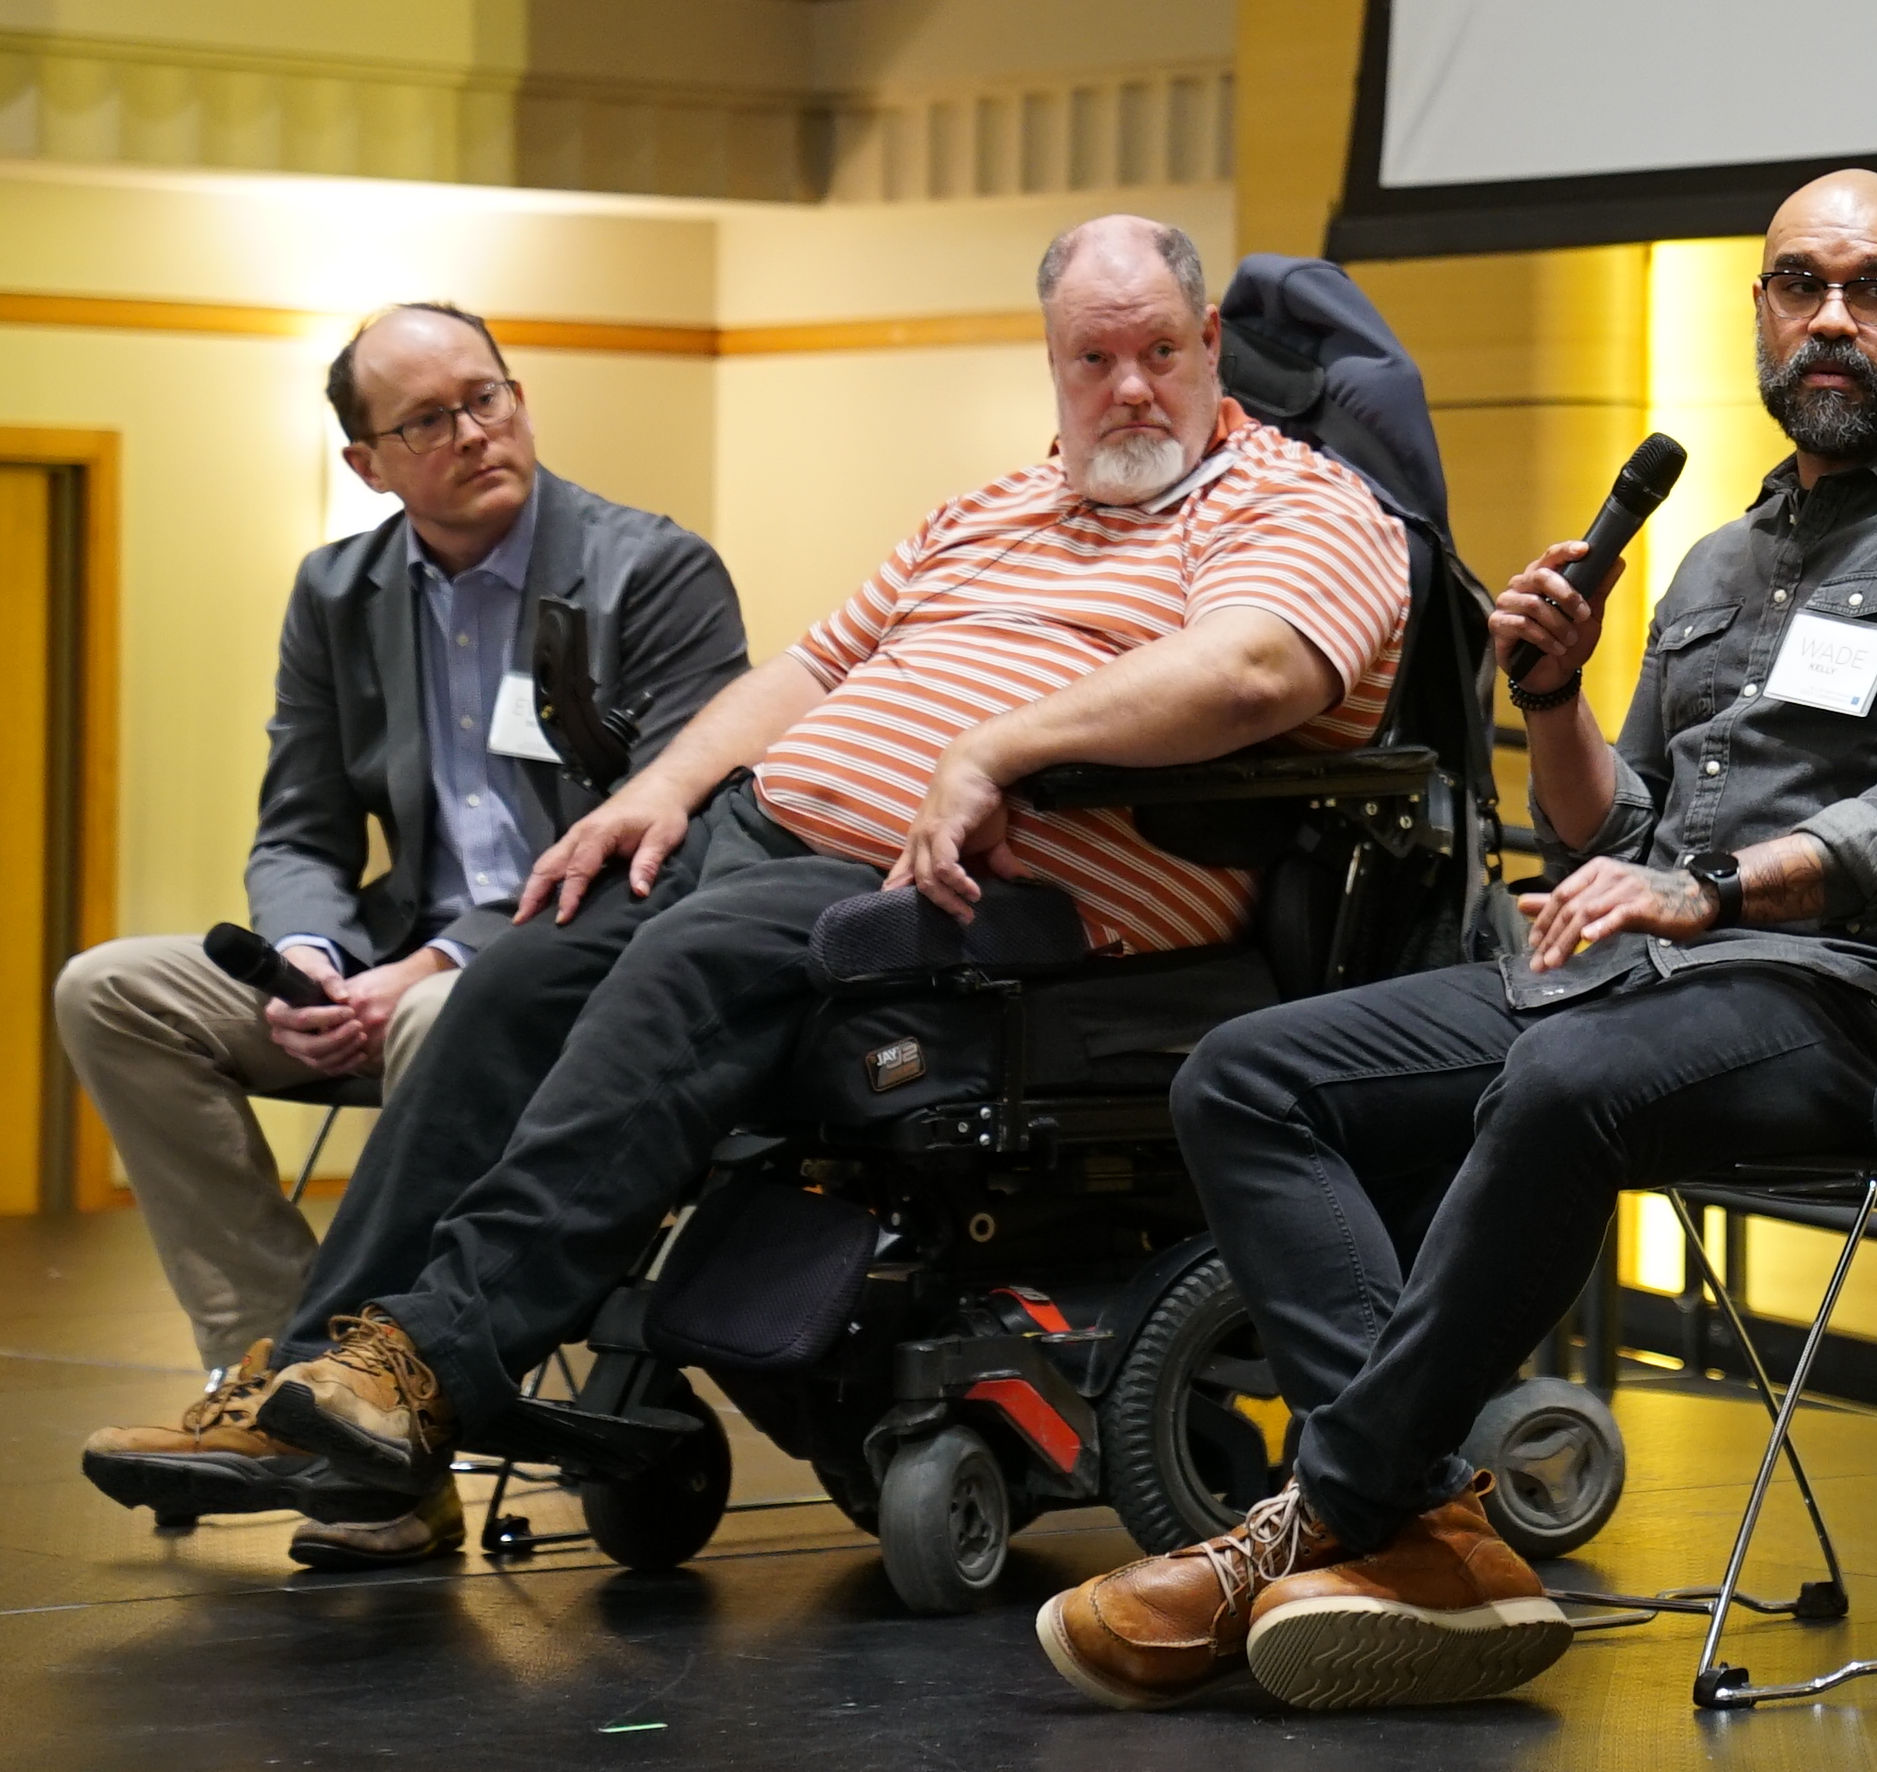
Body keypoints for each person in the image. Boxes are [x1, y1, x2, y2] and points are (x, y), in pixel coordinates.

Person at [95, 215, 1417, 1561]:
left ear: (1208, 346)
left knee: (688, 963)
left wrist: (1002, 745)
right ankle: (319, 1387)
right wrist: (654, 792)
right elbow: (809, 672)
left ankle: (434, 1365)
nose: (1127, 387)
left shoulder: (1298, 502)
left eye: (1155, 352)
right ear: (1053, 365)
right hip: (769, 842)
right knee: (518, 973)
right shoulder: (994, 506)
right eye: (1093, 358)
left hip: (996, 914)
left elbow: (1260, 668)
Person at [1038, 168, 1877, 1719]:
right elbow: (1616, 848)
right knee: (1246, 1075)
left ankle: (1319, 1513)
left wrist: (1721, 892)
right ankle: (1431, 1530)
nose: (1832, 318)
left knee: (1563, 1080)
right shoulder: (1723, 565)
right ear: (1759, 312)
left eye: (1873, 290)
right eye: (1800, 285)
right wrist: (1553, 700)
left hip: (1869, 1003)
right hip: (1646, 981)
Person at [68, 304, 747, 1567]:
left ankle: (388, 1423)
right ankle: (279, 1381)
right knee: (109, 989)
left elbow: (659, 831)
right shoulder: (336, 589)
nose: (474, 432)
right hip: (380, 959)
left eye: (487, 397)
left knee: (449, 1008)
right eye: (428, 420)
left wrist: (436, 961)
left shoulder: (648, 570)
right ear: (367, 462)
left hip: (549, 973)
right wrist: (315, 953)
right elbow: (300, 824)